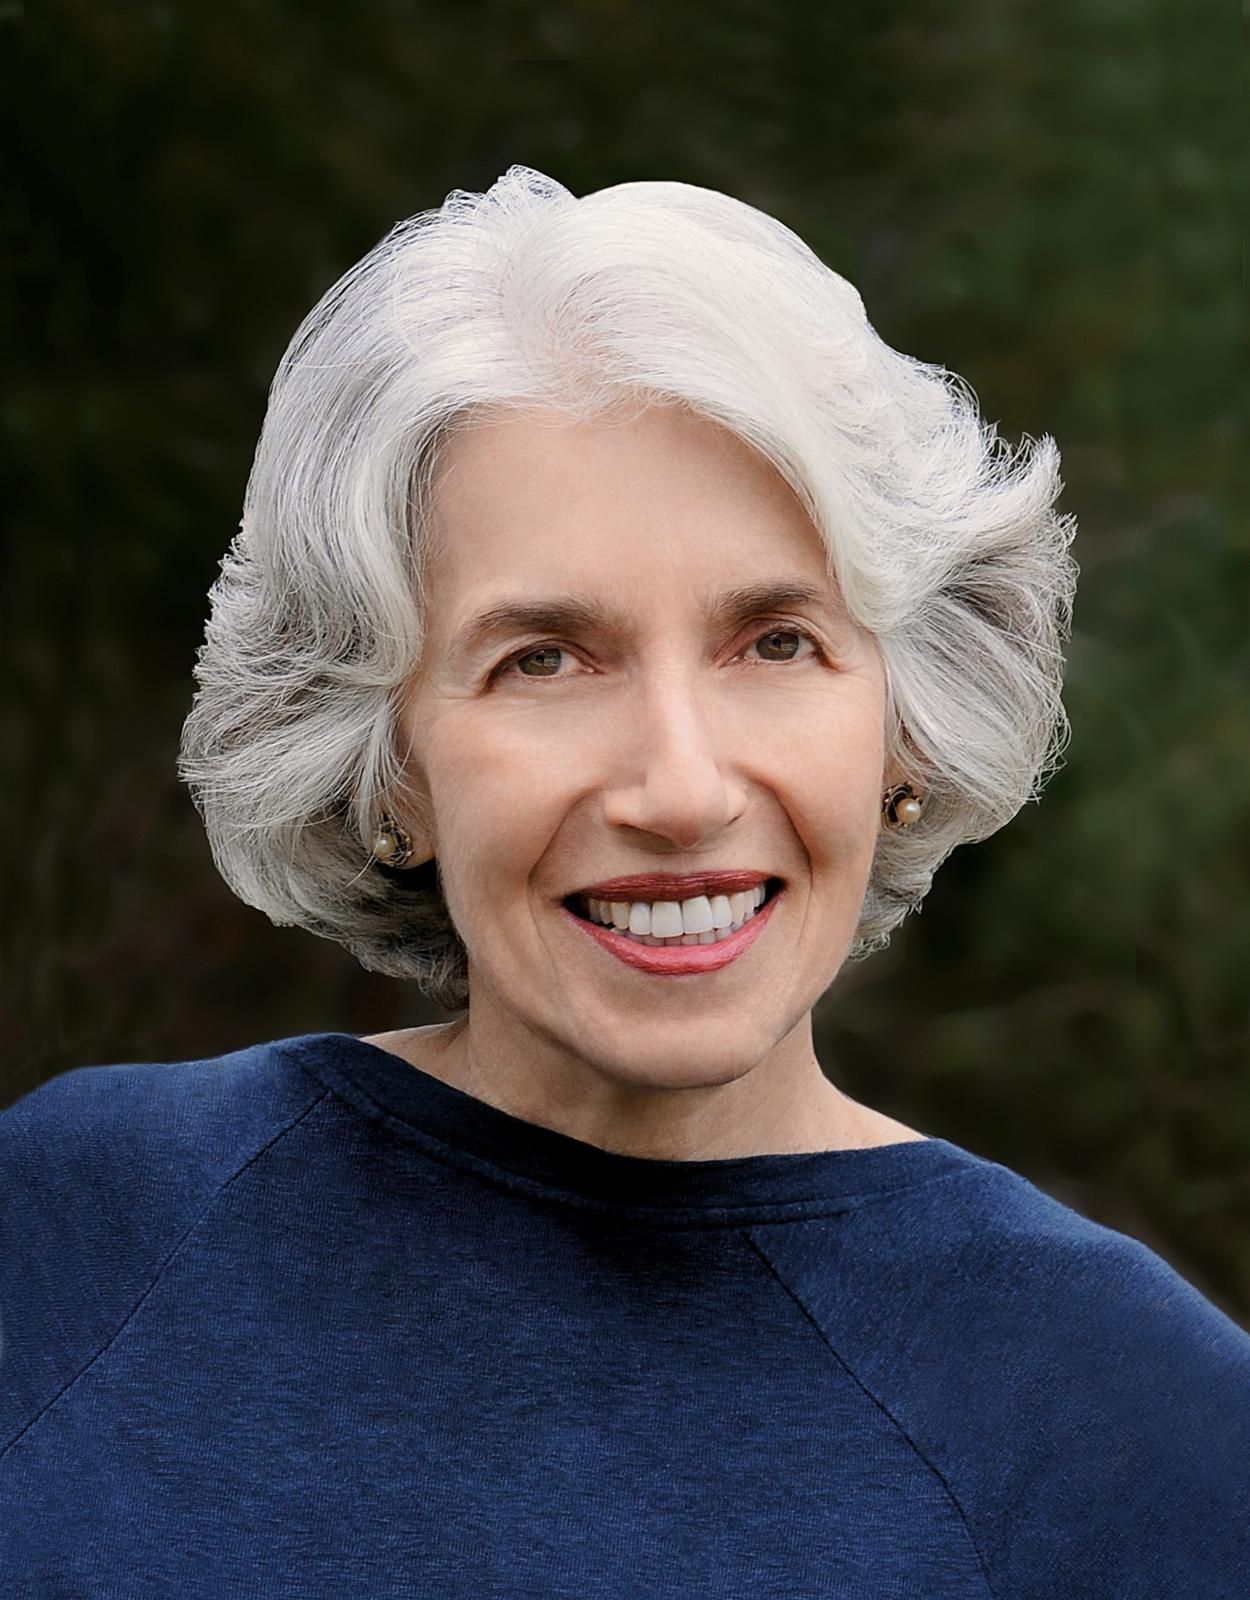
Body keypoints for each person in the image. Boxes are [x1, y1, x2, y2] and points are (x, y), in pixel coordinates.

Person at [2, 165, 1246, 1597]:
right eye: (543, 660)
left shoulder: (1135, 1424)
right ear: (385, 765)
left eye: (776, 643)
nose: (680, 788)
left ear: (903, 723)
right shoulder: (74, 1229)